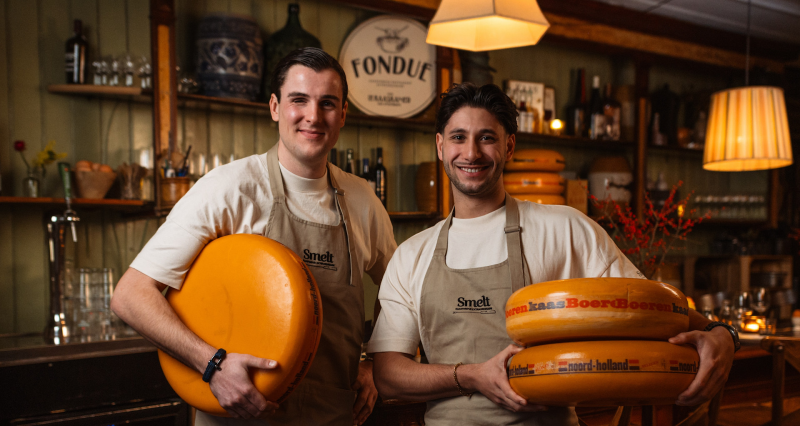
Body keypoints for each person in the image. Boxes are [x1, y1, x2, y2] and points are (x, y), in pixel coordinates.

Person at [367, 83, 736, 425]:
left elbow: (645, 308)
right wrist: (472, 376)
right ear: (440, 146)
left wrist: (720, 333)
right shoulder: (413, 254)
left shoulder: (564, 228)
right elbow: (388, 376)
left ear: (509, 147)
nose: (472, 153)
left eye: (487, 138)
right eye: (458, 138)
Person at [110, 48, 396, 425]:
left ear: (342, 114)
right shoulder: (229, 188)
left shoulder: (362, 201)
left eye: (327, 103)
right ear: (275, 107)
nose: (313, 116)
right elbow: (130, 296)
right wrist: (213, 365)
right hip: (238, 416)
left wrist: (375, 362)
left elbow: (399, 294)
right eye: (299, 100)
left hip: (332, 414)